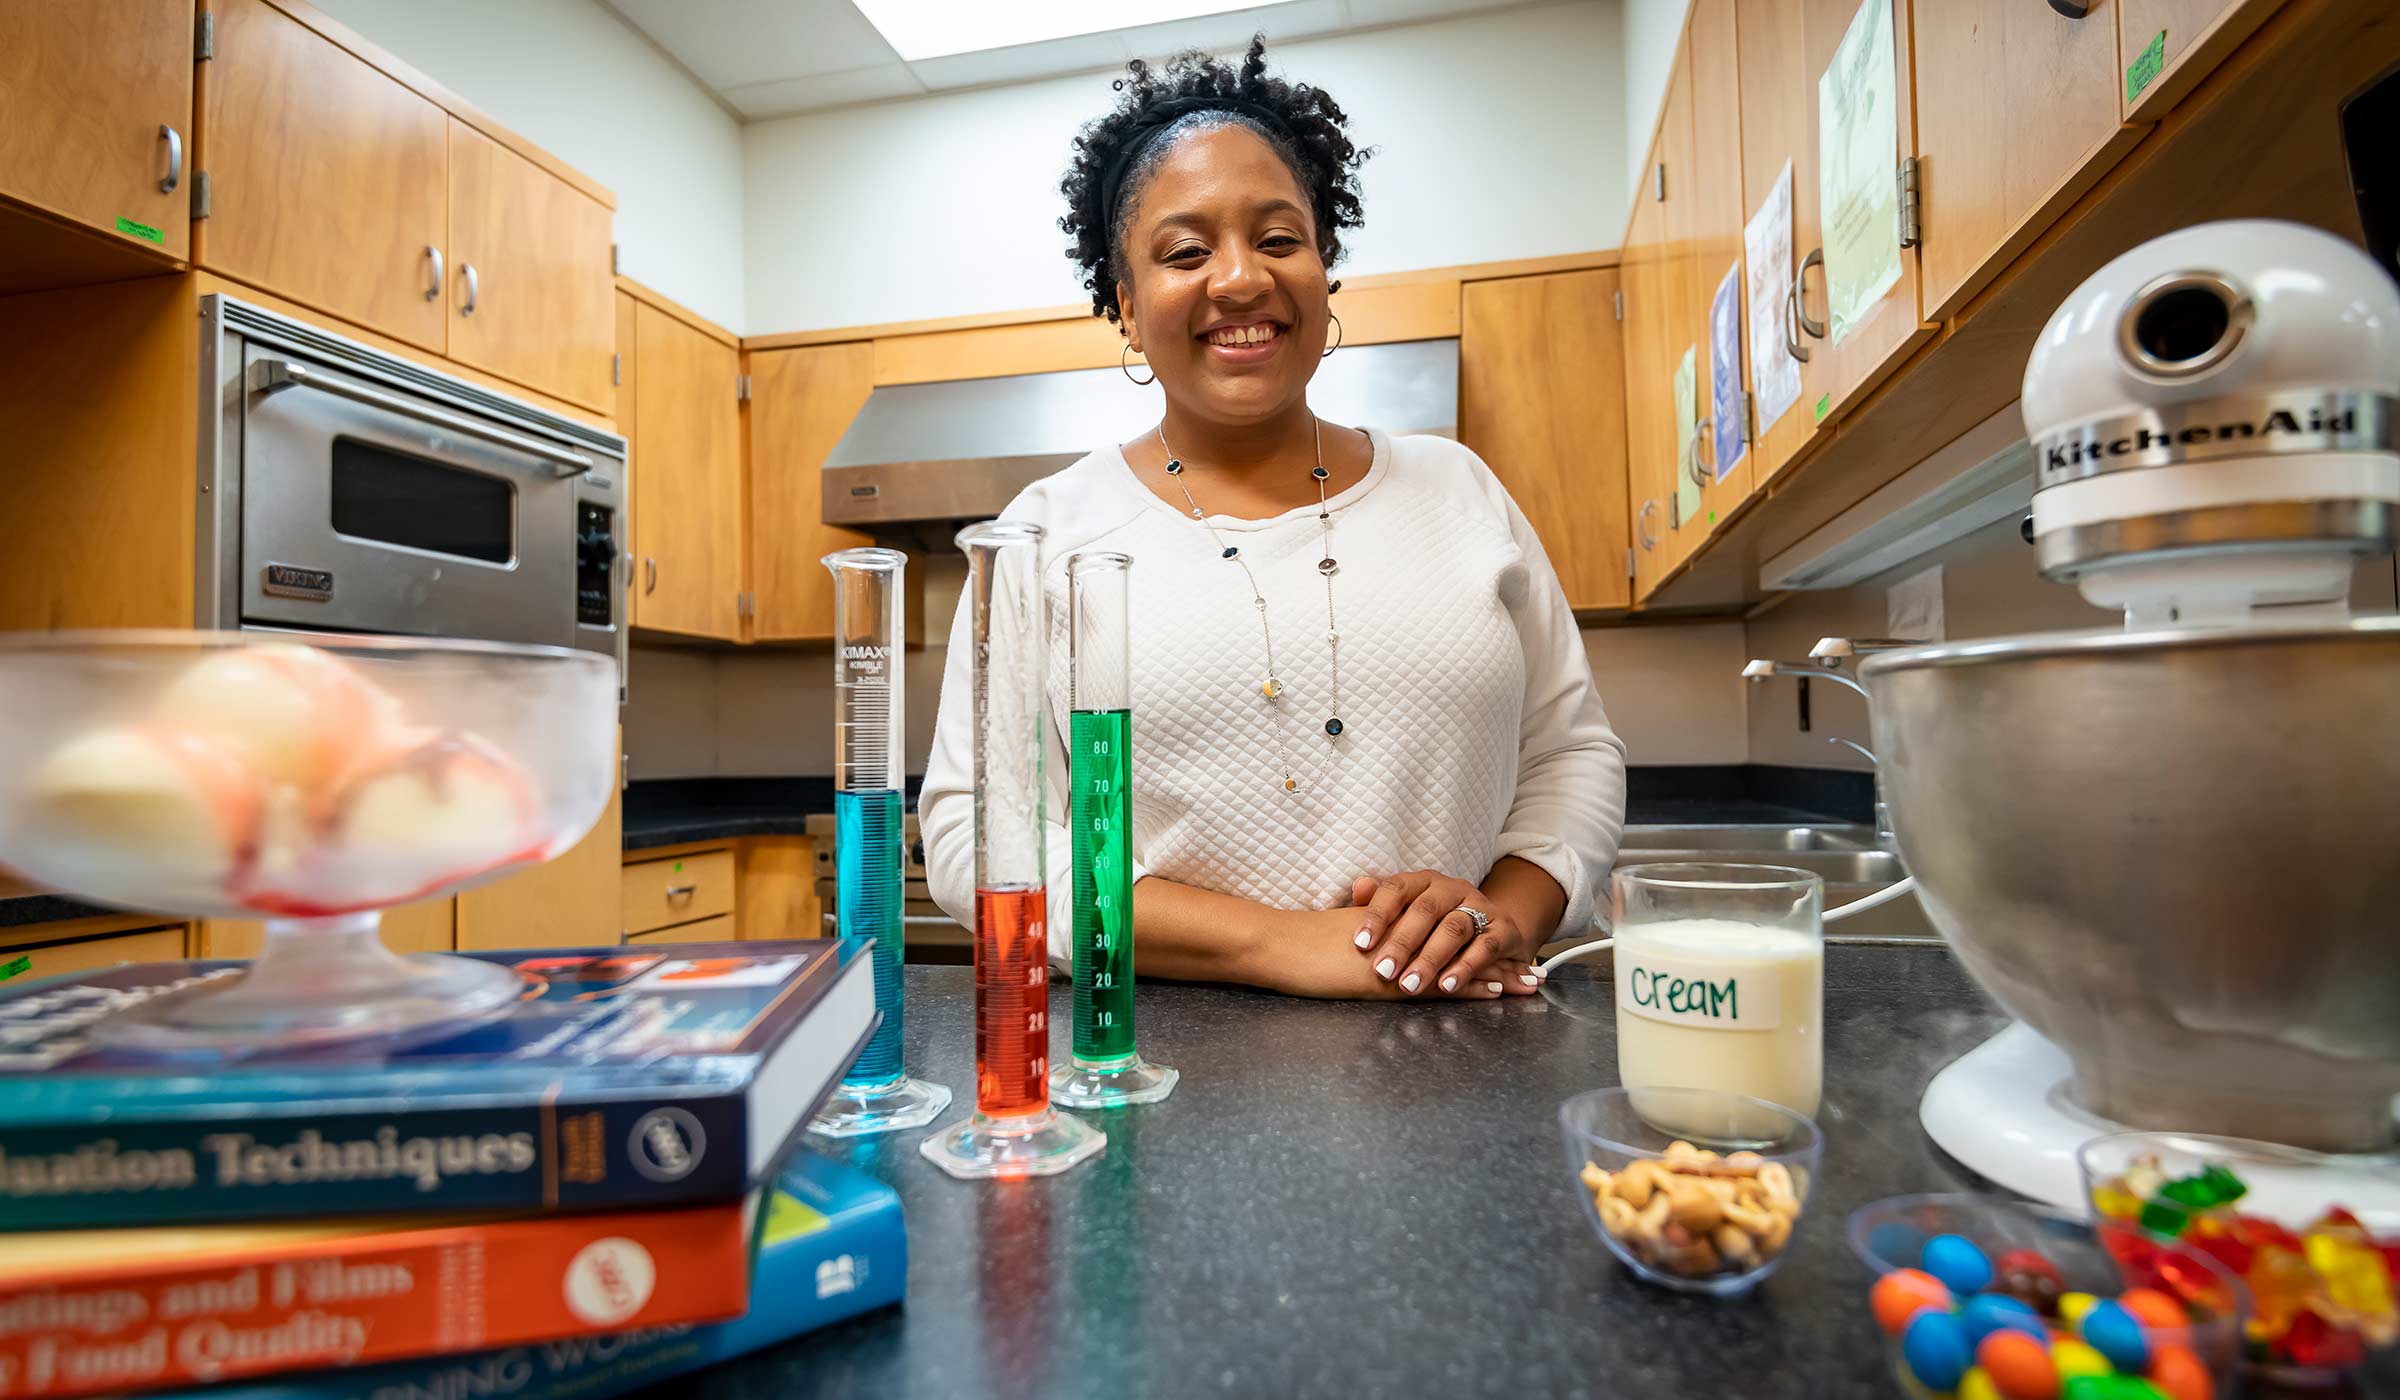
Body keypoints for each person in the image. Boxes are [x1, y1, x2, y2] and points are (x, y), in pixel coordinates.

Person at [920, 39, 1625, 1000]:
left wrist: (1502, 915)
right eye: (1185, 252)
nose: (1241, 278)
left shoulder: (1460, 491)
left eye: (1280, 238)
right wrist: (1280, 946)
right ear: (1126, 307)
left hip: (1467, 1036)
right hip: (1154, 1062)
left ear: (1324, 272)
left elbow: (1571, 752)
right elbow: (974, 832)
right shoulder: (1043, 539)